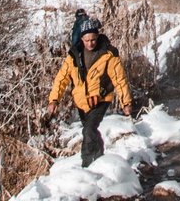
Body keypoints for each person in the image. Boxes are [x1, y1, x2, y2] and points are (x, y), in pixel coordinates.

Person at [48, 9, 134, 168]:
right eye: (87, 40)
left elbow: (119, 79)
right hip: (82, 102)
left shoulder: (108, 54)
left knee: (88, 132)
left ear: (97, 37)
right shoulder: (74, 56)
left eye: (93, 39)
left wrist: (126, 103)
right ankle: (100, 156)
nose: (90, 43)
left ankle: (86, 167)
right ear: (81, 39)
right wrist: (54, 100)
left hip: (101, 99)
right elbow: (62, 78)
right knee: (91, 132)